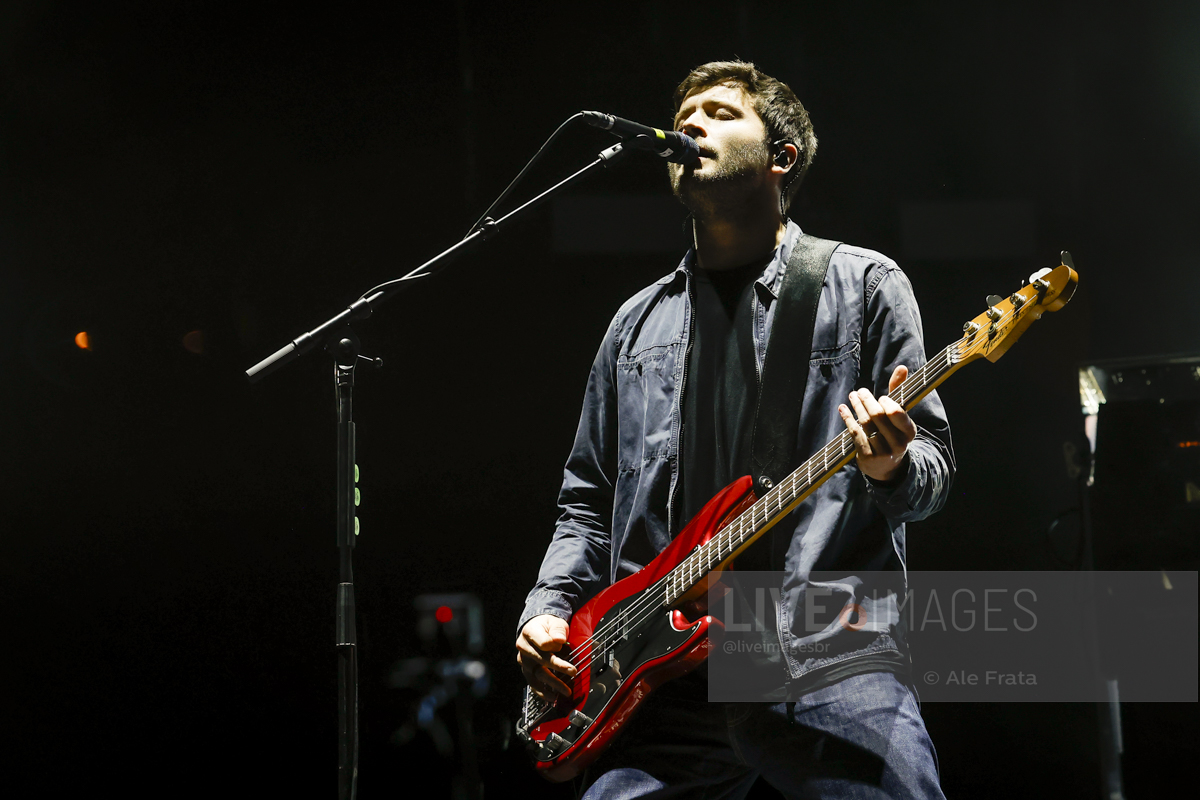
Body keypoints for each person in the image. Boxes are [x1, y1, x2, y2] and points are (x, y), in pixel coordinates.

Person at [515, 60, 954, 799]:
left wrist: (891, 466)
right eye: (683, 116)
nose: (690, 124)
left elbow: (932, 473)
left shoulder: (864, 286)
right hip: (660, 672)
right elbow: (587, 501)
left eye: (720, 113)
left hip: (825, 652)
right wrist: (549, 610)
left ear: (781, 156)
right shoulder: (634, 327)